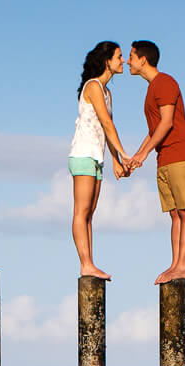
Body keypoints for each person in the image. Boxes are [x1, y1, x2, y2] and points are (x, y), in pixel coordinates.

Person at [121, 40, 185, 285]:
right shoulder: (151, 88)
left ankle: (183, 266)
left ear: (143, 59)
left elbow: (166, 123)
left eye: (131, 56)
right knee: (175, 214)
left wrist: (144, 154)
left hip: (181, 155)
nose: (127, 61)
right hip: (164, 157)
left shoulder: (165, 82)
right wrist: (137, 156)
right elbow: (153, 130)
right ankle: (175, 264)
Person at [68, 41, 132, 281]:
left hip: (97, 156)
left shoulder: (107, 92)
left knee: (90, 213)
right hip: (83, 154)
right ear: (107, 60)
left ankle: (90, 262)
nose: (123, 60)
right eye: (119, 56)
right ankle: (86, 264)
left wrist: (115, 159)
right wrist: (124, 152)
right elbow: (107, 123)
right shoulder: (93, 86)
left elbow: (107, 130)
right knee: (81, 211)